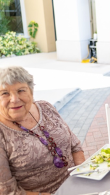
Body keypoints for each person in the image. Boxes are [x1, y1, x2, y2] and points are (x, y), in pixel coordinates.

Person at [0, 66, 85, 195]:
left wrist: (83, 176)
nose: (15, 99)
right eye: (5, 93)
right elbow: (8, 192)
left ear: (31, 92)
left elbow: (75, 146)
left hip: (77, 183)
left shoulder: (45, 107)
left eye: (21, 90)